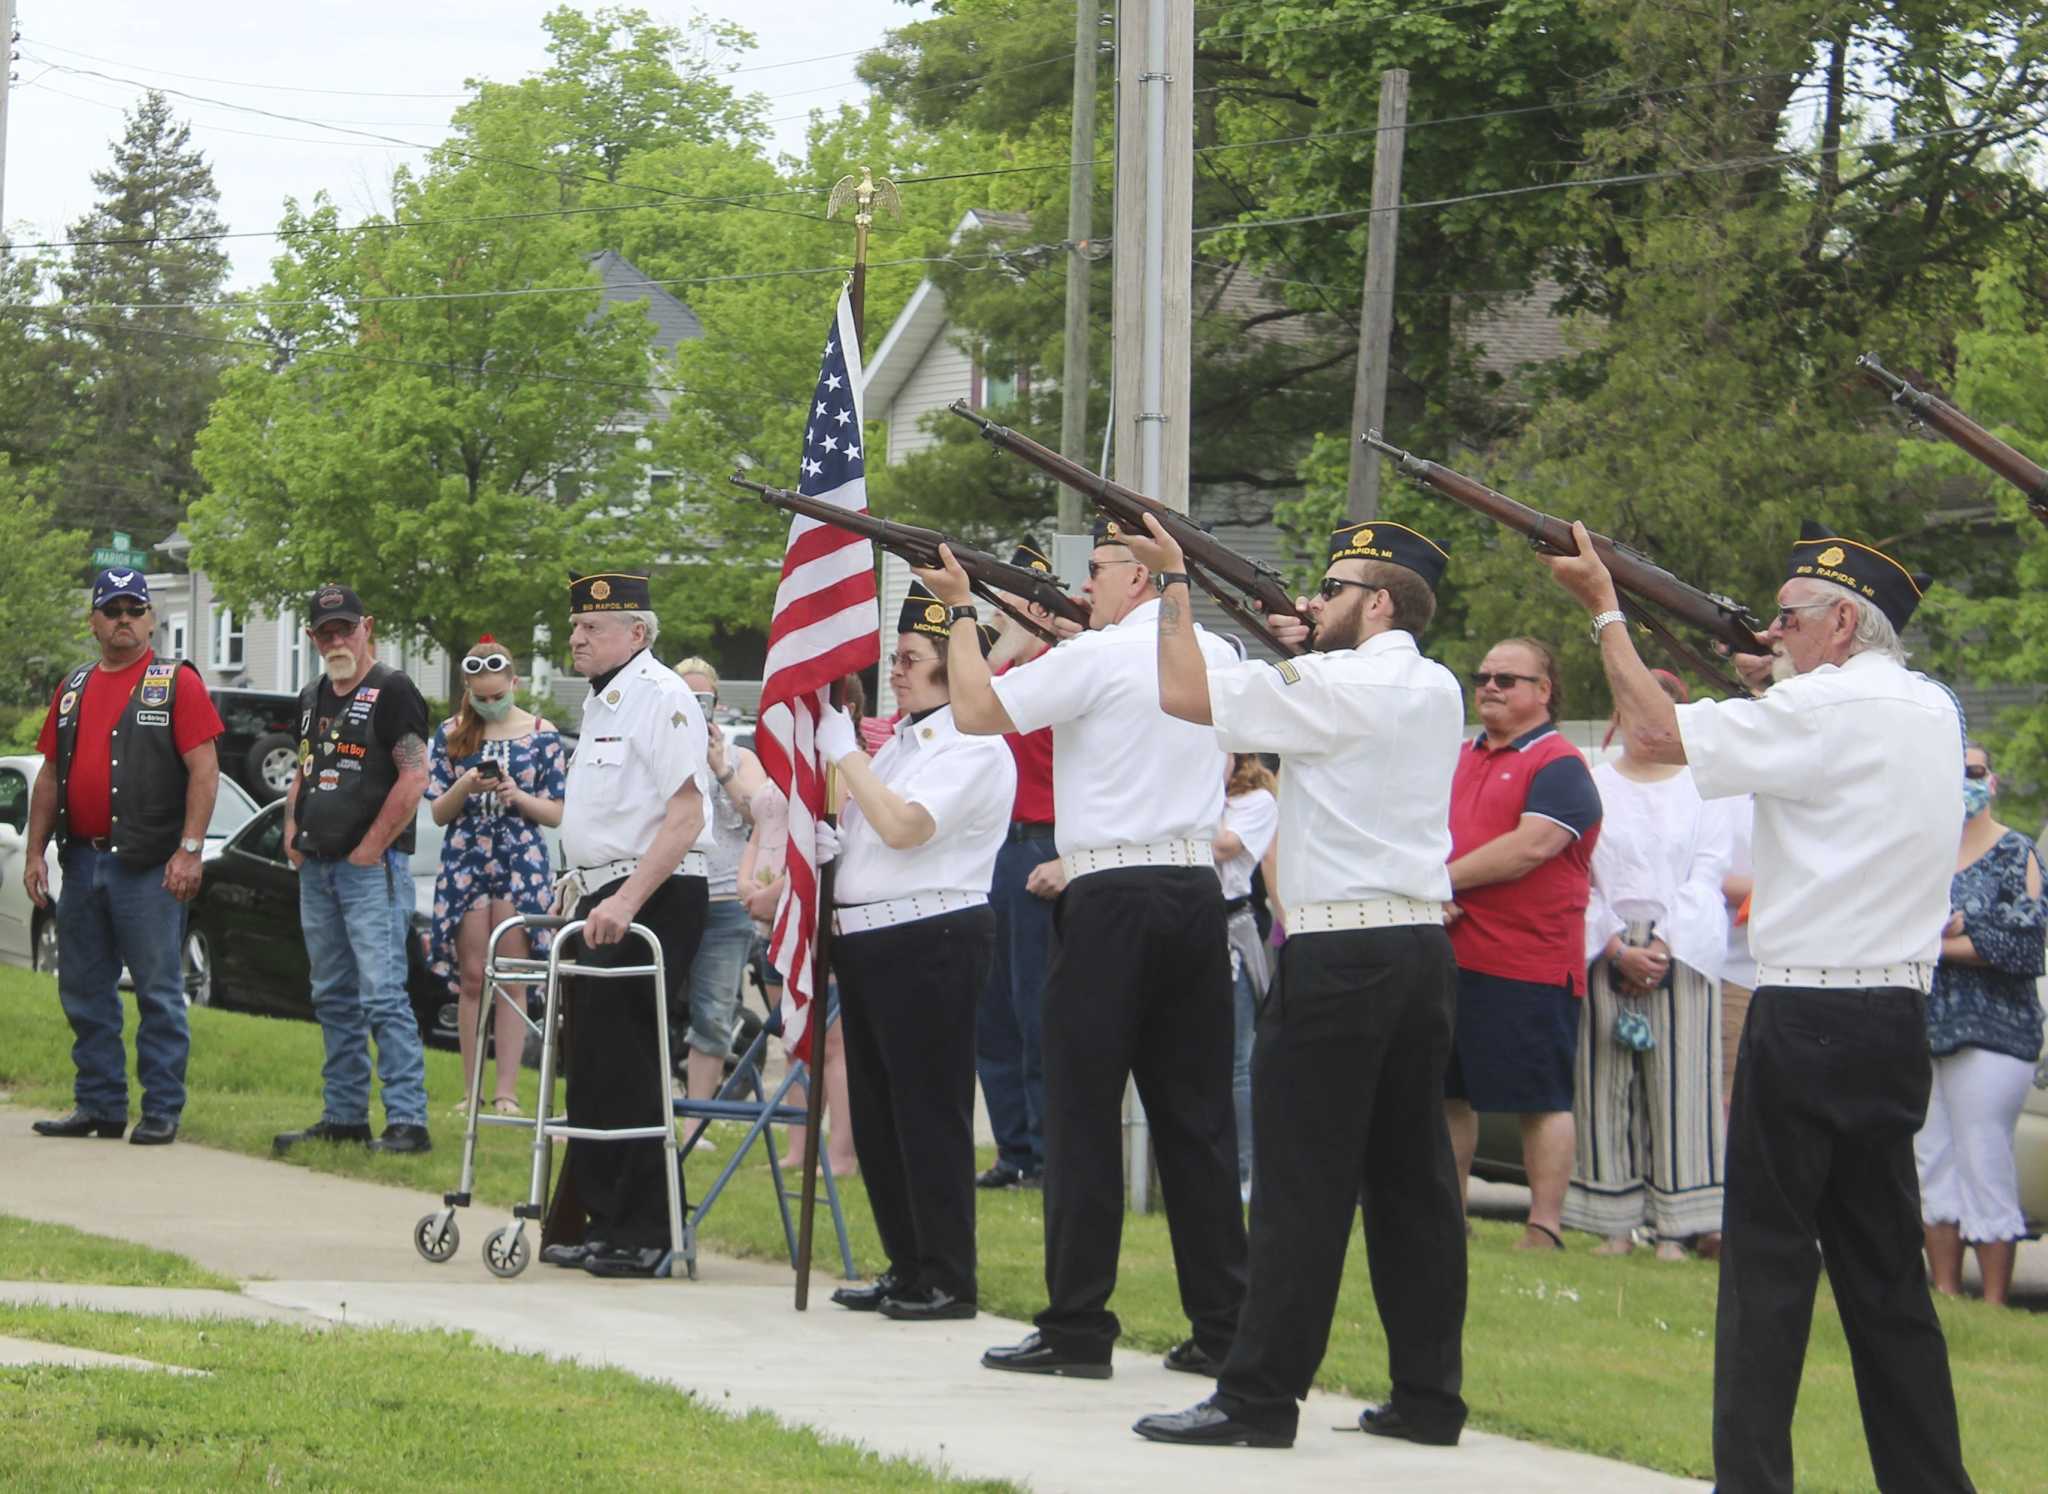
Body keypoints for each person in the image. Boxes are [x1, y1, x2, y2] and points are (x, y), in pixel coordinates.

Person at [1543, 517, 1975, 1493]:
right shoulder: (1930, 707)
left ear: (1838, 626)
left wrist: (1605, 609)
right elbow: (1818, 756)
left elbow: (1652, 732)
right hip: (1892, 1017)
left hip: (1805, 1012)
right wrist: (1768, 688)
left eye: (1786, 619)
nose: (1771, 632)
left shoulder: (1815, 711)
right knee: (1885, 1282)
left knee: (1766, 1275)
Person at [1124, 516, 1470, 1452]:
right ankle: (1429, 1397)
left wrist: (1170, 584)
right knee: (1414, 1184)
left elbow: (1185, 690)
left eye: (1334, 591)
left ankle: (1258, 1398)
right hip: (1416, 949)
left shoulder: (1333, 682)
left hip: (1339, 953)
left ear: (1379, 602)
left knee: (1299, 1184)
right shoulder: (1434, 684)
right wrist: (1301, 653)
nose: (1315, 602)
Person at [921, 518, 1248, 1382]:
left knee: (1080, 1115)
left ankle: (1077, 1325)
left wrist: (960, 613)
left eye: (1099, 568)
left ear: (1140, 577)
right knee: (1197, 1121)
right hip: (1192, 891)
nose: (1087, 584)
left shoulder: (1098, 657)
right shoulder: (1216, 651)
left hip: (1108, 896)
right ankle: (1224, 1325)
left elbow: (975, 709)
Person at [824, 583, 1015, 1321]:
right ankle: (906, 1264)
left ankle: (946, 1275)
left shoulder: (973, 744)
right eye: (896, 658)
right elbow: (876, 833)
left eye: (909, 659)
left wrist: (846, 756)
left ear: (951, 666)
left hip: (930, 937)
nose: (894, 672)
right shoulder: (904, 741)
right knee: (877, 1117)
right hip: (872, 940)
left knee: (928, 1115)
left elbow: (906, 827)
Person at [538, 570, 712, 1279]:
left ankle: (645, 1230)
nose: (577, 638)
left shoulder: (661, 698)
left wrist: (627, 901)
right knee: (594, 1065)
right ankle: (605, 1220)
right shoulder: (604, 703)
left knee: (630, 1062)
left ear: (636, 634)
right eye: (575, 627)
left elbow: (686, 814)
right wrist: (576, 889)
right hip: (603, 896)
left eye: (593, 629)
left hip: (654, 895)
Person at [26, 568, 224, 1147]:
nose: (123, 620)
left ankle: (161, 1109)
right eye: (112, 610)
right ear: (93, 620)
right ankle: (99, 1105)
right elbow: (50, 775)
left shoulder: (175, 682)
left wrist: (190, 850)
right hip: (82, 862)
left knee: (158, 990)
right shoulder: (74, 685)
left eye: (134, 609)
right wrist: (35, 851)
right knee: (84, 990)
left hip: (149, 866)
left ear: (151, 619)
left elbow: (205, 772)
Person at [1565, 670, 1732, 1259]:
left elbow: (1709, 870)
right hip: (1606, 940)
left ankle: (1677, 1227)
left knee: (1683, 1085)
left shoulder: (1708, 788)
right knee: (1605, 1081)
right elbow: (1579, 871)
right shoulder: (1593, 782)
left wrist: (1661, 946)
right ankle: (1613, 1221)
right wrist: (1616, 946)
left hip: (1681, 946)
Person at [1443, 637, 1602, 1250]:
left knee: (1539, 1098)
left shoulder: (1560, 763)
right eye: (1483, 675)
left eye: (1508, 679)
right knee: (1448, 1092)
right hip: (1454, 952)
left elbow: (1531, 847)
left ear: (1544, 691)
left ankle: (1544, 1227)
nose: (1490, 686)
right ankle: (1448, 1214)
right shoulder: (1459, 757)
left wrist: (1440, 880)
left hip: (1529, 961)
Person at [274, 584, 433, 1158]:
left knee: (382, 993)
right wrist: (291, 827)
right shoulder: (312, 695)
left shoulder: (393, 690)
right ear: (312, 637)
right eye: (325, 631)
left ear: (368, 627)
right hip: (317, 866)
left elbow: (414, 776)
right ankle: (344, 1115)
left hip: (372, 869)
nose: (336, 639)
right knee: (332, 994)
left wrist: (370, 847)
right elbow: (304, 768)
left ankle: (408, 1121)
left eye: (346, 627)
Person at [1917, 740, 2045, 1307]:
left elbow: (2027, 942)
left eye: (1974, 771)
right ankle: (1944, 1291)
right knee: (1932, 1161)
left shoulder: (2019, 852)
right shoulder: (1922, 854)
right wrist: (1962, 937)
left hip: (1996, 1031)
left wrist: (1950, 939)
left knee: (1983, 1156)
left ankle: (1993, 1302)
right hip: (1924, 1028)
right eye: (1955, 772)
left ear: (1991, 780)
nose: (1966, 781)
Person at [425, 638, 565, 1117]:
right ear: (468, 689)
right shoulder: (449, 734)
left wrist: (516, 795)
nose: (490, 703)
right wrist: (466, 783)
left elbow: (555, 812)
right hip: (466, 860)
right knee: (472, 978)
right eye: (480, 698)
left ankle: (507, 1091)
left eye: (497, 694)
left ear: (513, 683)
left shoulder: (543, 734)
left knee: (513, 978)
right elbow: (439, 813)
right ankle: (472, 1089)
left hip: (520, 861)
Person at [975, 541, 1062, 1191]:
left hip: (1044, 843)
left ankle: (1048, 1149)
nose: (996, 611)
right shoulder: (995, 678)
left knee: (1038, 1009)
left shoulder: (1062, 672)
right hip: (994, 847)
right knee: (993, 1011)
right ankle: (1014, 1148)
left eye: (1006, 600)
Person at [672, 656, 768, 1115]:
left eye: (701, 699)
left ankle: (695, 1120)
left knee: (713, 1014)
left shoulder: (738, 754)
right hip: (668, 894)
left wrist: (720, 767)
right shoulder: (659, 747)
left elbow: (759, 815)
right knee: (652, 1009)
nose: (694, 707)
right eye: (684, 698)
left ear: (716, 702)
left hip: (725, 902)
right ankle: (652, 1115)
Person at [1217, 753, 1279, 1198]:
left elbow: (1223, 847)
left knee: (1236, 1060)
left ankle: (1243, 1172)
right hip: (1181, 919)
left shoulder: (1255, 802)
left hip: (1229, 927)